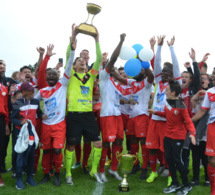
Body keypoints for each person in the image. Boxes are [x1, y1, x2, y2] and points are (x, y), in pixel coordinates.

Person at [36, 35, 76, 186]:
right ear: (46, 77)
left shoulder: (62, 85)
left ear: (58, 76)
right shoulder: (43, 91)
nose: (51, 76)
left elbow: (69, 65)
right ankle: (46, 174)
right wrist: (40, 114)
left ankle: (58, 174)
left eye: (54, 74)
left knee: (58, 151)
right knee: (46, 151)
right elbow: (33, 103)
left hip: (59, 125)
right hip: (46, 125)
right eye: (49, 75)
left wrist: (72, 50)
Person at [65, 25, 102, 184]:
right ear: (74, 66)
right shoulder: (71, 74)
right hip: (73, 115)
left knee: (98, 143)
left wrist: (97, 40)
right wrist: (73, 38)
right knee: (71, 146)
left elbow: (99, 60)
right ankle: (68, 174)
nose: (82, 62)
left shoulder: (91, 76)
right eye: (79, 61)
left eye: (84, 61)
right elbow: (68, 56)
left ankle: (94, 171)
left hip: (88, 115)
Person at [148, 79, 196, 195]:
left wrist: (192, 134)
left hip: (177, 137)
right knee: (169, 160)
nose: (165, 90)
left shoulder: (181, 105)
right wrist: (156, 112)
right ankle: (175, 183)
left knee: (177, 160)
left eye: (168, 89)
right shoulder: (167, 102)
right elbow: (166, 114)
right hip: (167, 136)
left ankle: (186, 185)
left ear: (173, 93)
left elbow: (188, 121)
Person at [146, 36, 182, 185]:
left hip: (168, 122)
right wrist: (159, 47)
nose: (165, 73)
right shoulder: (159, 82)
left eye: (168, 71)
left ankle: (169, 175)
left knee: (168, 151)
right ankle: (154, 172)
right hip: (155, 121)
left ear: (172, 73)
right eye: (163, 71)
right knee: (152, 148)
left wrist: (171, 47)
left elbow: (177, 67)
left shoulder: (176, 84)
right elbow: (157, 63)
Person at [98, 33, 128, 182]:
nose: (112, 68)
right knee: (106, 143)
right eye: (110, 66)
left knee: (118, 142)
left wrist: (127, 102)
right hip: (107, 115)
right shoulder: (103, 77)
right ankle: (101, 170)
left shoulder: (115, 83)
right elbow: (114, 59)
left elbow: (117, 98)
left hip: (117, 115)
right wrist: (121, 42)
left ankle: (113, 169)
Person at [10, 81, 46, 190]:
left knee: (31, 155)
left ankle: (29, 177)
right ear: (24, 92)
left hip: (31, 132)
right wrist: (20, 122)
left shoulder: (35, 101)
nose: (33, 92)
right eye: (30, 90)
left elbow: (38, 112)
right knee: (20, 154)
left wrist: (41, 115)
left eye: (33, 89)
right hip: (20, 133)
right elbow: (12, 118)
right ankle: (19, 178)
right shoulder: (19, 102)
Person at [192, 67, 215, 195]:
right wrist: (189, 121)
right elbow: (202, 110)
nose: (213, 76)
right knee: (212, 160)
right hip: (212, 127)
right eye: (213, 73)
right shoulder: (210, 92)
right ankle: (213, 189)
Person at [0, 62, 10, 186]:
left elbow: (6, 107)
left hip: (1, 120)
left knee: (2, 148)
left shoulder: (4, 87)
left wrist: (7, 123)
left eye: (3, 65)